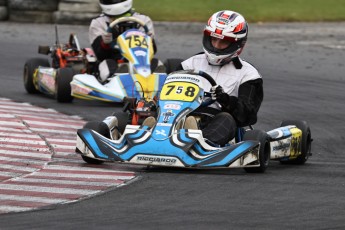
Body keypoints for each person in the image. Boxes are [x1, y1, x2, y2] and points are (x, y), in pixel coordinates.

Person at [179, 10, 264, 146]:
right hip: (184, 115)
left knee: (226, 118)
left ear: (237, 45)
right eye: (213, 39)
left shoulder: (248, 74)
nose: (216, 46)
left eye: (223, 42)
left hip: (219, 121)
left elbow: (247, 115)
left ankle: (199, 143)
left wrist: (225, 100)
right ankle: (159, 131)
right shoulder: (189, 64)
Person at [89, 0, 156, 82]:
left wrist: (150, 41)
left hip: (141, 61)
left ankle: (159, 83)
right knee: (108, 64)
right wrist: (105, 44)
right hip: (113, 60)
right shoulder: (99, 22)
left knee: (156, 63)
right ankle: (113, 82)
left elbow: (153, 51)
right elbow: (100, 56)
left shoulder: (143, 19)